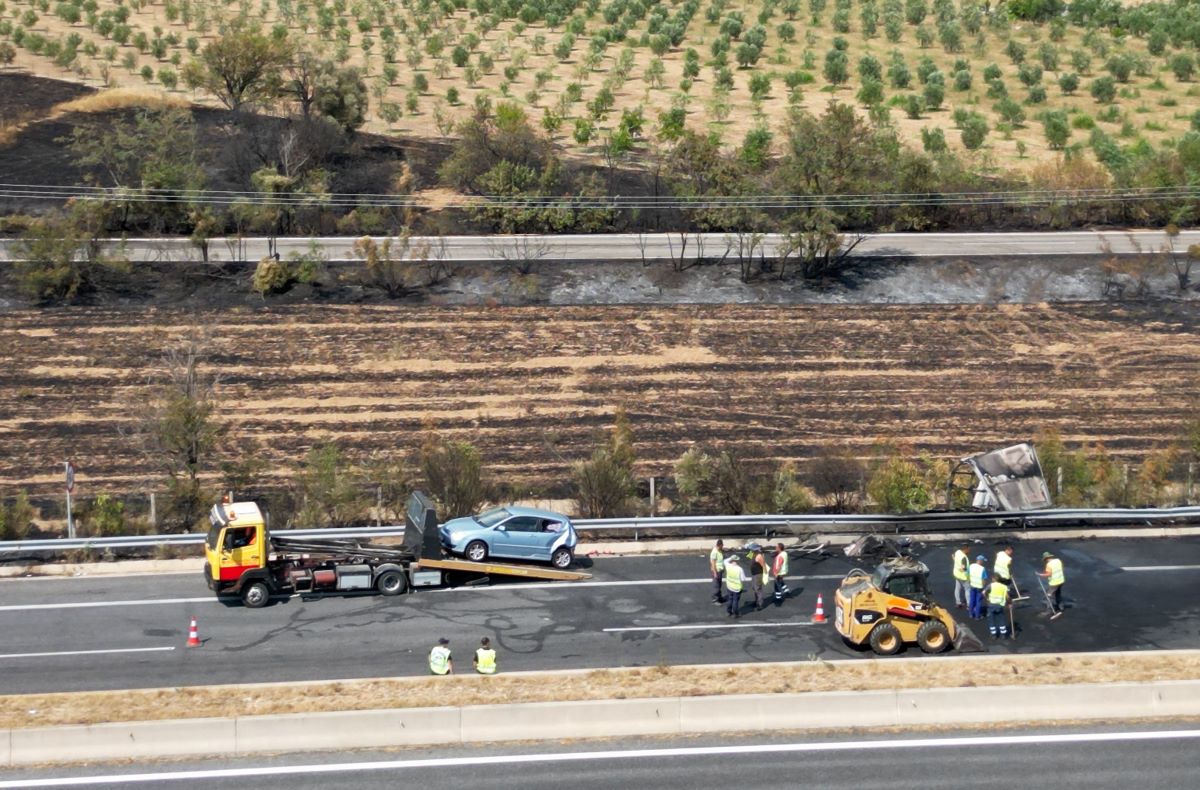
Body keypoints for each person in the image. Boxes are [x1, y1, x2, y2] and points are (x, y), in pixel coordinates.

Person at [1038, 551, 1066, 620]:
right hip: (1061, 580)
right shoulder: (1058, 560)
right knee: (1058, 594)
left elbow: (1049, 574)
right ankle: (1061, 607)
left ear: (1046, 558)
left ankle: (1049, 611)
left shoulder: (1049, 565)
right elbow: (1061, 568)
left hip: (1054, 583)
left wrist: (1040, 575)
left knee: (1049, 596)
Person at [724, 553, 746, 618]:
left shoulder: (728, 566)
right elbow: (743, 579)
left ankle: (729, 612)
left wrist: (731, 557)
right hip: (737, 588)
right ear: (737, 561)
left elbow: (725, 561)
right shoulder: (740, 569)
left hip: (729, 586)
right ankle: (736, 613)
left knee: (730, 599)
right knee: (735, 601)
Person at [968, 555, 988, 620]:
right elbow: (984, 579)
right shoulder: (982, 569)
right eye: (983, 561)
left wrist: (970, 582)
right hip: (979, 587)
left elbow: (968, 574)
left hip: (972, 585)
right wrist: (983, 586)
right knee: (978, 602)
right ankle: (977, 616)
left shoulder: (971, 566)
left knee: (972, 600)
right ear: (980, 560)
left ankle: (971, 614)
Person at [749, 545, 768, 611]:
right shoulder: (753, 553)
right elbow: (748, 557)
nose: (750, 550)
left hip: (758, 574)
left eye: (751, 549)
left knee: (758, 589)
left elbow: (763, 565)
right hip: (754, 574)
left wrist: (765, 575)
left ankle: (760, 604)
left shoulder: (759, 556)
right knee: (754, 588)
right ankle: (756, 601)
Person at [952, 543, 970, 609]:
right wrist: (962, 569)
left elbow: (953, 556)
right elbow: (964, 568)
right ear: (965, 549)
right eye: (968, 549)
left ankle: (958, 602)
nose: (969, 550)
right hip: (963, 577)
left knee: (957, 588)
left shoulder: (957, 552)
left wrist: (956, 562)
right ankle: (968, 604)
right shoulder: (964, 558)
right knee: (967, 590)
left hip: (957, 575)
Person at [710, 539, 726, 604]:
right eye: (722, 546)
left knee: (719, 585)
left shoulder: (720, 550)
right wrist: (715, 573)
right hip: (716, 571)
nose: (722, 547)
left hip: (720, 570)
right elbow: (713, 563)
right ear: (719, 545)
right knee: (716, 586)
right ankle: (715, 599)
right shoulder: (714, 552)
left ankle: (720, 598)